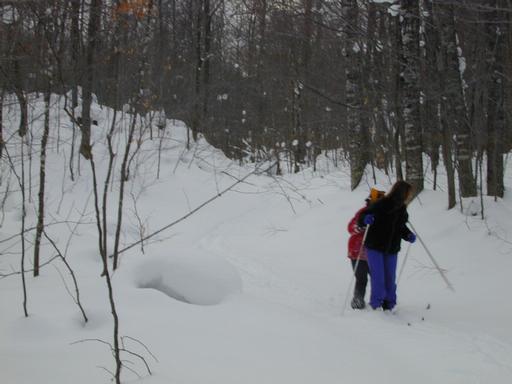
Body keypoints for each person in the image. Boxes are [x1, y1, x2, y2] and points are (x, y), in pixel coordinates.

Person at [357, 180, 416, 311]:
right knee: (378, 277)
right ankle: (376, 305)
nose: (410, 196)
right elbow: (362, 215)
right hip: (375, 245)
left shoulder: (402, 209)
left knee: (390, 278)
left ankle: (389, 305)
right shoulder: (382, 204)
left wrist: (408, 235)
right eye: (409, 194)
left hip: (392, 248)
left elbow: (400, 227)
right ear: (403, 193)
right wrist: (365, 219)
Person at [347, 187, 385, 309]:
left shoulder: (384, 215)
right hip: (357, 251)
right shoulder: (363, 212)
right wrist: (361, 226)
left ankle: (379, 301)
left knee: (378, 278)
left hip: (374, 252)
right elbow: (351, 227)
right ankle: (358, 300)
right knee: (361, 278)